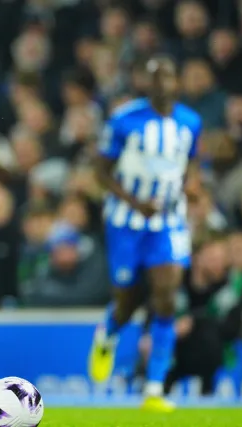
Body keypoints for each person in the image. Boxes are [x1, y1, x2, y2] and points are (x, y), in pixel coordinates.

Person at [88, 56, 202, 412]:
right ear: (146, 83)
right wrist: (136, 203)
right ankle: (109, 332)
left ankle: (154, 388)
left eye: (168, 76)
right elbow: (101, 171)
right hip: (126, 222)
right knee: (128, 300)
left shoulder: (190, 122)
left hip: (168, 222)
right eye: (155, 77)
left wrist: (189, 188)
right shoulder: (124, 119)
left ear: (177, 82)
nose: (162, 84)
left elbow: (189, 164)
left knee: (166, 297)